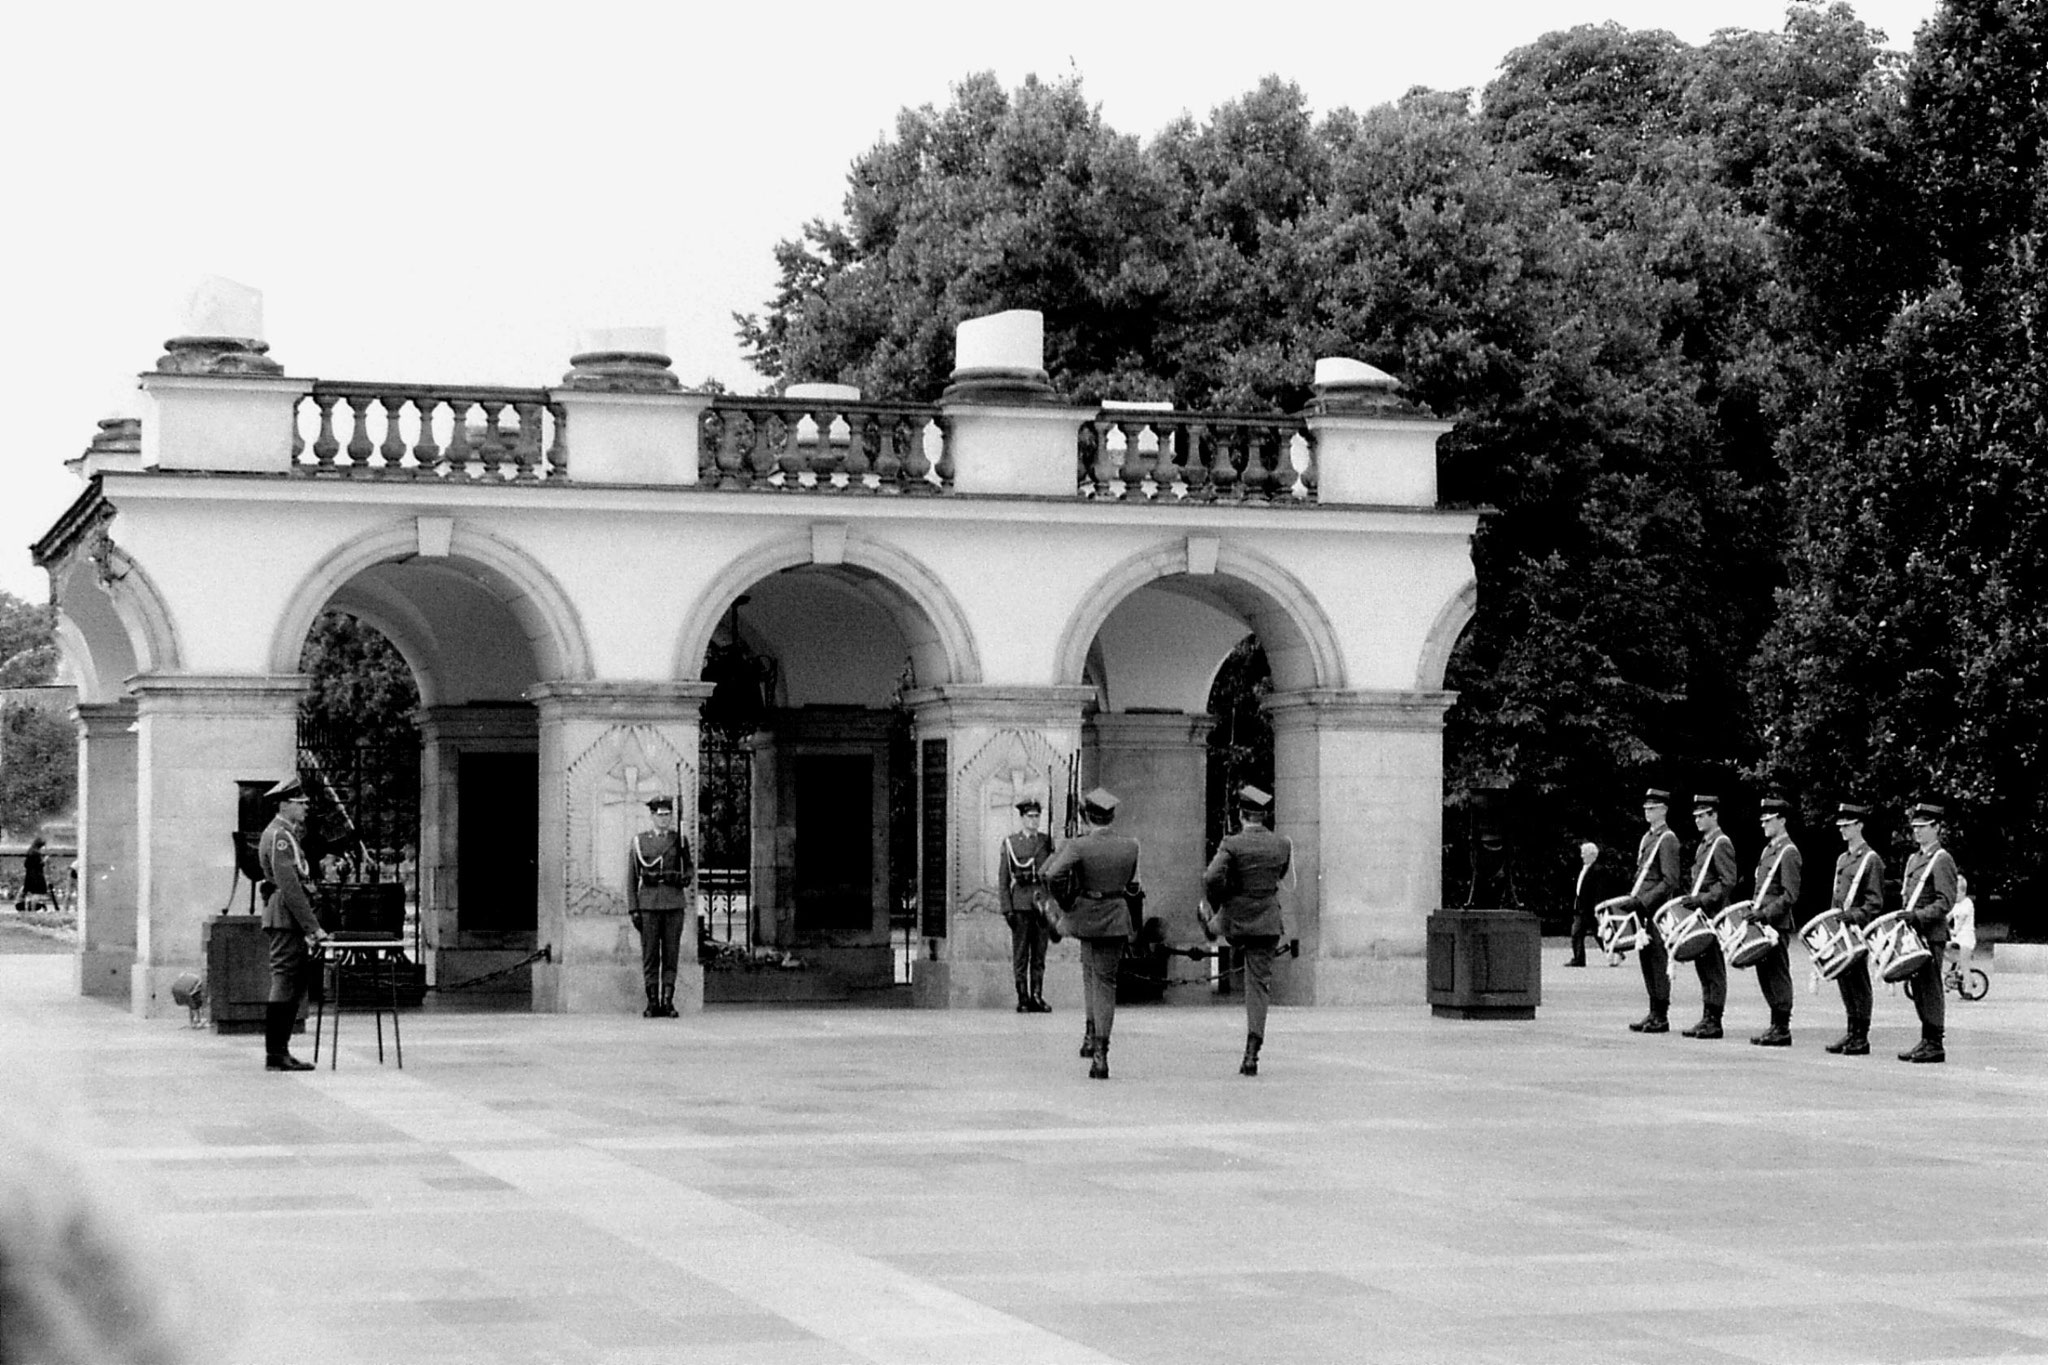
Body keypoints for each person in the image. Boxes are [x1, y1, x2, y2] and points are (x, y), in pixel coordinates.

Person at [1041, 787, 1141, 1080]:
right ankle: (1100, 1052)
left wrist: (1065, 902)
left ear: (1086, 816)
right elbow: (1131, 882)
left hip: (1085, 914)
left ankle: (1056, 922)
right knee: (1104, 981)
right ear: (1111, 817)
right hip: (1114, 915)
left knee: (1090, 973)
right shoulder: (1131, 846)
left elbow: (1050, 874)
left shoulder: (1079, 846)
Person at [1200, 785, 1292, 1076]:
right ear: (1263, 816)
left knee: (1223, 919)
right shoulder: (1282, 844)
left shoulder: (1232, 843)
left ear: (1241, 814)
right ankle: (1252, 1050)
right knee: (1258, 985)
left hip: (1237, 916)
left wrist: (1222, 898)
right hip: (1266, 918)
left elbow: (1211, 877)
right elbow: (1281, 873)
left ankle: (1212, 923)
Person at [257, 776, 325, 1071]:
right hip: (286, 915)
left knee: (291, 983)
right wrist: (313, 927)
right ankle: (276, 1053)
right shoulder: (280, 836)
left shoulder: (285, 833)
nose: (306, 807)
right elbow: (290, 886)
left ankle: (280, 1051)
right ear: (285, 805)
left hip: (288, 915)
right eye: (301, 803)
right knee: (284, 981)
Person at [1896, 801, 1955, 1063]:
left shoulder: (1942, 859)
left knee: (1930, 989)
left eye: (1923, 827)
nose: (1917, 832)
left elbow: (1945, 901)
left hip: (1931, 934)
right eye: (1915, 827)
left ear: (1937, 828)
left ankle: (1935, 1042)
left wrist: (1918, 916)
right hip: (1915, 934)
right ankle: (1926, 1039)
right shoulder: (1914, 859)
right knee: (1918, 989)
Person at [1673, 795, 1736, 1039]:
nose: (1698, 820)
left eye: (1703, 815)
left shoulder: (1721, 843)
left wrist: (1703, 900)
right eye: (1696, 816)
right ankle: (1707, 1015)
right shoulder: (1705, 844)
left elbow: (1727, 881)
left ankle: (1715, 1020)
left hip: (1713, 914)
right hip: (1701, 913)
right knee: (1703, 967)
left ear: (1714, 816)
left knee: (1714, 969)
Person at [1823, 802, 1883, 1056]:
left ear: (1860, 825)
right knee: (1844, 979)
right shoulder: (1843, 858)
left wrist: (1854, 917)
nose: (1843, 830)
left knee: (1859, 982)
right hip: (1842, 928)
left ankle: (1861, 1035)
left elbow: (1874, 902)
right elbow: (1837, 897)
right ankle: (1851, 1029)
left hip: (1857, 929)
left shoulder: (1870, 859)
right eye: (1841, 826)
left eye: (1848, 825)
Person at [627, 795, 694, 1019]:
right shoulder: (640, 841)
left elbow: (689, 870)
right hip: (649, 904)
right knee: (650, 954)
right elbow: (632, 877)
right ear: (652, 816)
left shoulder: (679, 840)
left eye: (667, 815)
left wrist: (682, 877)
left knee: (671, 953)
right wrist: (634, 909)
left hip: (674, 902)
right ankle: (652, 1001)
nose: (664, 819)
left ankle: (668, 1001)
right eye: (660, 815)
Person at [1743, 795, 1802, 1047]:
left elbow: (1790, 894)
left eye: (1769, 820)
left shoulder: (1788, 852)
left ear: (1782, 820)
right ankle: (1774, 1024)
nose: (1763, 824)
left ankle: (1782, 1027)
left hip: (1775, 924)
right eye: (1763, 820)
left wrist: (1766, 914)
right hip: (1763, 922)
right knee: (1765, 975)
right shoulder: (1769, 850)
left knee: (1777, 975)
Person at [1624, 789, 1683, 1033]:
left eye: (1653, 808)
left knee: (1658, 960)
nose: (1648, 812)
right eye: (1646, 808)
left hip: (1657, 911)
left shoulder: (1667, 838)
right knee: (1646, 959)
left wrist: (1644, 901)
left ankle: (1661, 1014)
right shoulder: (1648, 837)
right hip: (1644, 910)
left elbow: (1669, 880)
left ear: (1663, 810)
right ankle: (1653, 1010)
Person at [999, 798, 1057, 1013]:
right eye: (1030, 816)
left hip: (1041, 903)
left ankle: (1037, 996)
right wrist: (1007, 909)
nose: (1034, 820)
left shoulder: (1045, 841)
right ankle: (1023, 997)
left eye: (1037, 816)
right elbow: (1003, 880)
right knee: (1021, 953)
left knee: (1039, 954)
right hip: (1021, 904)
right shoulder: (1011, 843)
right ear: (1022, 818)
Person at [1566, 841, 1604, 967]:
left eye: (1584, 853)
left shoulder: (1597, 870)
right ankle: (1578, 958)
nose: (1581, 856)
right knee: (1579, 933)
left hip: (1589, 908)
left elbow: (1598, 891)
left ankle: (1614, 951)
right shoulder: (1584, 869)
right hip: (1581, 907)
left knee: (1597, 932)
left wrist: (1597, 907)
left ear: (1592, 855)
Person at [16, 836, 49, 913]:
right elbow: (39, 865)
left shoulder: (30, 851)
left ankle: (22, 906)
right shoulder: (37, 854)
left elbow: (26, 864)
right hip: (37, 876)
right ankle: (33, 911)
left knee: (28, 891)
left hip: (29, 875)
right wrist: (45, 860)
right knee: (36, 893)